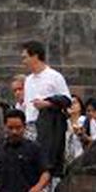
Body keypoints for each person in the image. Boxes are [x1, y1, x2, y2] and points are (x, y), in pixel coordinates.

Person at [20, 40, 71, 180]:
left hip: (48, 127)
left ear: (35, 56)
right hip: (29, 126)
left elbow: (67, 100)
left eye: (25, 57)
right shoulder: (28, 80)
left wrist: (47, 103)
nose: (23, 61)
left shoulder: (54, 76)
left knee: (46, 163)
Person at [65, 94, 87, 163]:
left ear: (80, 106)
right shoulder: (65, 123)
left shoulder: (85, 120)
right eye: (69, 104)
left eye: (74, 103)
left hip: (82, 156)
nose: (72, 105)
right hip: (68, 158)